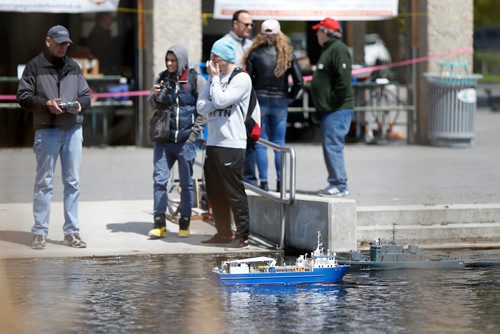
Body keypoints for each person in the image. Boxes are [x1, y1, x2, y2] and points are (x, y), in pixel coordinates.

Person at [17, 25, 91, 249]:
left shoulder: (73, 66)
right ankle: (39, 231)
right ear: (47, 41)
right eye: (59, 42)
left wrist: (79, 105)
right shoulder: (34, 66)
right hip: (46, 130)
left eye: (66, 43)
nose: (63, 46)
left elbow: (86, 95)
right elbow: (23, 96)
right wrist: (46, 104)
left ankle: (72, 232)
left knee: (73, 183)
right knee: (44, 183)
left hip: (72, 129)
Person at [196, 37, 253, 248]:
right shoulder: (215, 79)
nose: (210, 61)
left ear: (225, 58)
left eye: (214, 57)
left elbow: (219, 101)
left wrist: (215, 83)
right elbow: (200, 106)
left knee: (234, 192)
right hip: (213, 142)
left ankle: (243, 235)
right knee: (214, 191)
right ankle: (223, 232)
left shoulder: (241, 79)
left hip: (232, 143)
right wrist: (214, 85)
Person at [147, 45, 207, 239]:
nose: (170, 64)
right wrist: (155, 95)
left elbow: (204, 111)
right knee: (159, 181)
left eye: (173, 60)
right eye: (168, 60)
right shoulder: (162, 77)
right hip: (163, 140)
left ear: (182, 60)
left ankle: (184, 223)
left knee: (186, 184)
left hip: (185, 141)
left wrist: (193, 135)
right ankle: (159, 224)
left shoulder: (196, 80)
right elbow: (151, 105)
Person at [242, 19, 303, 191]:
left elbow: (247, 81)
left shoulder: (254, 53)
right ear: (279, 34)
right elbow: (299, 81)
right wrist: (289, 97)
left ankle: (263, 182)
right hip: (280, 101)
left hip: (259, 101)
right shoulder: (287, 53)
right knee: (279, 143)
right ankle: (280, 182)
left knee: (260, 143)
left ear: (261, 34)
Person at [310, 17, 354, 197]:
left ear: (326, 32)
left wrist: (331, 102)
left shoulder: (338, 49)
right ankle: (337, 183)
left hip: (337, 109)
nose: (316, 34)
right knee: (331, 145)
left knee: (333, 145)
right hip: (331, 109)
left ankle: (339, 185)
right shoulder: (330, 49)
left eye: (318, 31)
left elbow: (343, 82)